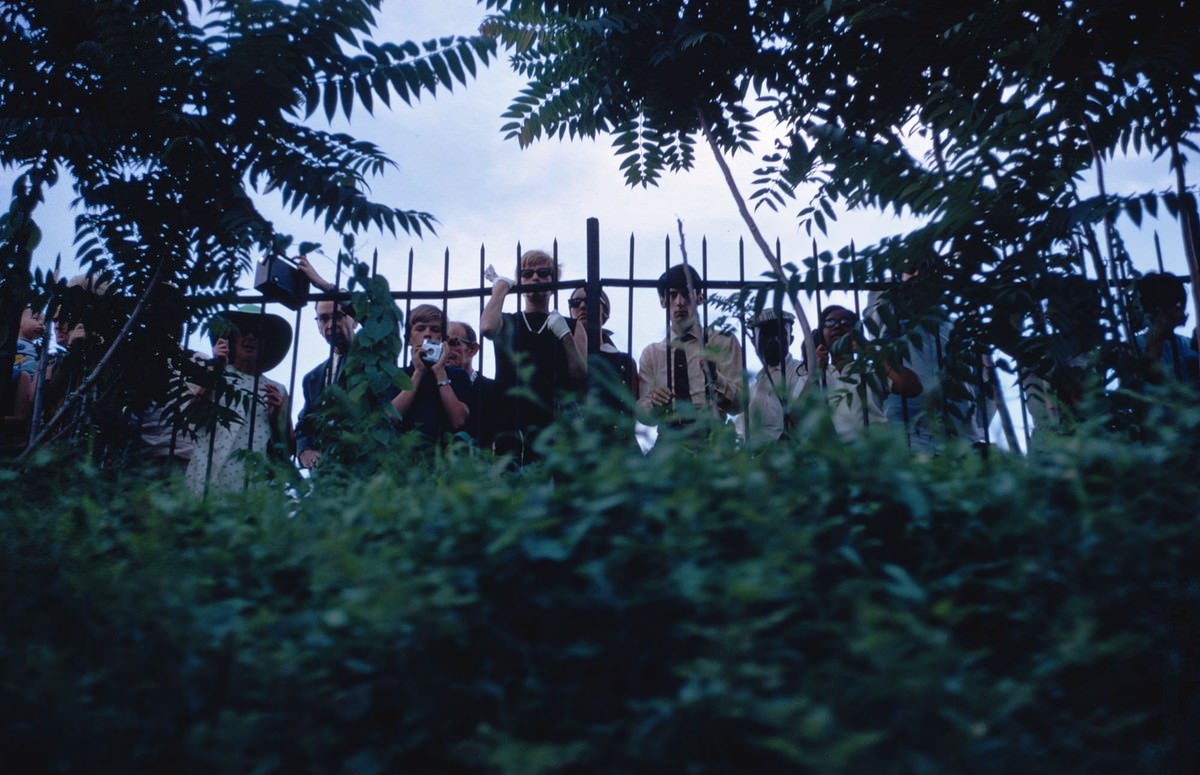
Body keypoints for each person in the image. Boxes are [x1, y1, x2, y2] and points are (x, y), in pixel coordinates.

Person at [480, 249, 587, 462]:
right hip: (510, 422)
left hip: (555, 424)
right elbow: (487, 329)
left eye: (543, 272)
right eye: (526, 274)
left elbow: (581, 377)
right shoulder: (507, 321)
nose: (535, 277)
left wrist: (565, 335)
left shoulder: (573, 326)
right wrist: (500, 288)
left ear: (553, 280)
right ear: (518, 281)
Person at [185, 306, 293, 494]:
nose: (250, 337)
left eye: (257, 333)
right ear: (232, 338)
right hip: (207, 474)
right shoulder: (214, 375)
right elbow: (191, 418)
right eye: (243, 331)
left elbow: (288, 447)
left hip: (251, 483)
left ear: (265, 343)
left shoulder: (277, 390)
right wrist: (216, 368)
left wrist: (278, 419)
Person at [637, 264, 742, 428]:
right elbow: (642, 414)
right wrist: (654, 403)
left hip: (711, 436)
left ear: (700, 298)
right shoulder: (652, 354)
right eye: (672, 295)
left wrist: (715, 379)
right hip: (669, 438)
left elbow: (741, 404)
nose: (679, 302)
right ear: (663, 301)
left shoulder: (723, 341)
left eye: (686, 294)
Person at [816, 304, 921, 441]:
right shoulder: (815, 374)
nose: (837, 326)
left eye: (845, 322)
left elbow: (911, 387)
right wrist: (816, 369)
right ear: (821, 334)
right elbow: (796, 416)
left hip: (875, 451)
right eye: (829, 322)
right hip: (836, 456)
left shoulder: (870, 369)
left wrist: (870, 351)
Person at [294, 255, 358, 469]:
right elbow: (305, 423)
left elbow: (376, 319)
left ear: (353, 319)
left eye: (338, 316)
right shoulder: (312, 377)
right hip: (328, 473)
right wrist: (304, 450)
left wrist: (324, 285)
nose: (330, 324)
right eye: (323, 318)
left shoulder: (373, 354)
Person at [389, 304, 471, 444]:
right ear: (409, 338)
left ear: (443, 338)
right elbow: (391, 417)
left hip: (444, 458)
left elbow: (459, 421)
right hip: (403, 457)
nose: (427, 334)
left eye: (435, 329)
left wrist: (440, 372)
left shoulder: (458, 376)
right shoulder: (397, 375)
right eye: (420, 328)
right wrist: (418, 372)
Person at [737, 308, 808, 446]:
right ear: (753, 341)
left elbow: (798, 423)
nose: (773, 340)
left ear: (791, 339)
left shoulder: (802, 374)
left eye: (780, 334)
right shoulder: (754, 386)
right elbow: (740, 432)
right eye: (766, 334)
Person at [568, 285, 638, 412]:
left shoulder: (625, 362)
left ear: (605, 311)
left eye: (590, 301)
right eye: (575, 303)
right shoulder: (561, 355)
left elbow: (632, 411)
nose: (582, 306)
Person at [1135, 272, 1198, 385]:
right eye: (1174, 304)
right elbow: (1146, 380)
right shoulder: (1136, 346)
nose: (1180, 309)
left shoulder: (1186, 343)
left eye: (1180, 304)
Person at [446, 320, 494, 449]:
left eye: (453, 343)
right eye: (441, 343)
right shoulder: (434, 386)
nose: (445, 349)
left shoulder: (491, 389)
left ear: (472, 349)